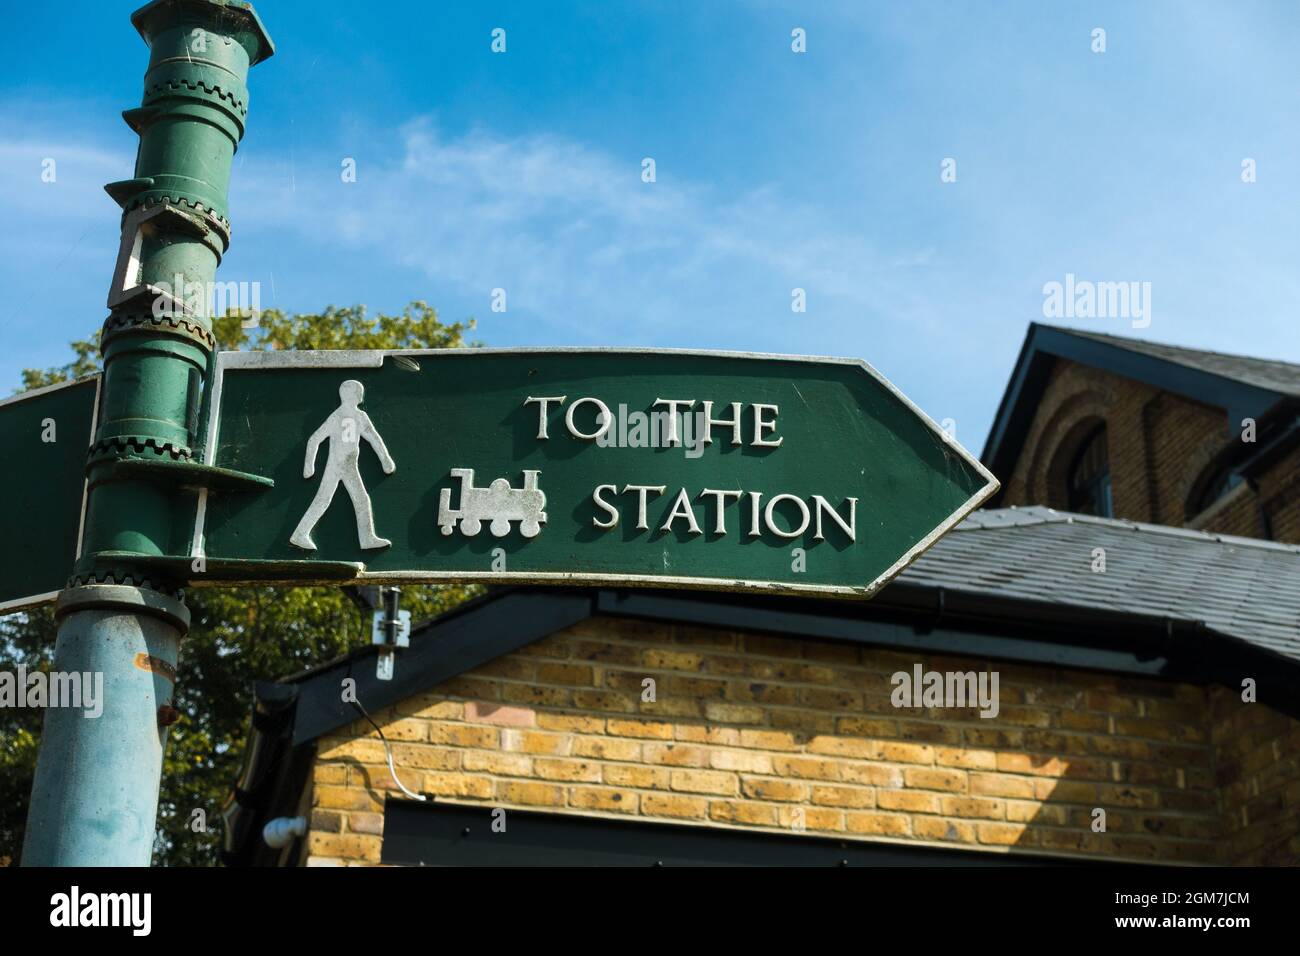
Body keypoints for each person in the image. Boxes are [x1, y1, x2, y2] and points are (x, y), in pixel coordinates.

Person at [290, 379, 396, 551]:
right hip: (339, 464)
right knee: (345, 499)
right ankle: (301, 534)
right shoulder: (342, 416)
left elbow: (374, 438)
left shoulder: (354, 416)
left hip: (347, 464)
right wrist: (308, 466)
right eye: (358, 392)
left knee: (330, 499)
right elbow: (315, 439)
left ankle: (301, 534)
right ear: (352, 395)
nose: (361, 395)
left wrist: (385, 459)